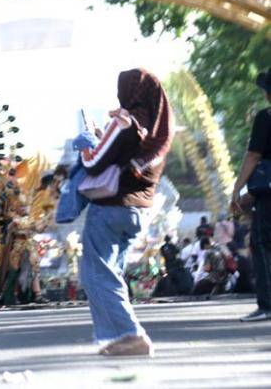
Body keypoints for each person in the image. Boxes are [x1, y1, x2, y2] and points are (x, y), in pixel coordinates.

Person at [78, 68, 173, 357]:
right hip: (138, 212)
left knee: (95, 273)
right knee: (111, 273)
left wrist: (86, 143)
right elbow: (123, 157)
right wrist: (101, 138)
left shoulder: (122, 123)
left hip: (110, 208)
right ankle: (117, 336)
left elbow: (94, 163)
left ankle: (130, 334)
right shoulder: (157, 132)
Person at [231, 67, 271, 322]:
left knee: (262, 243)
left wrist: (237, 189)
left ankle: (267, 304)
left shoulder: (265, 117)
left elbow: (254, 155)